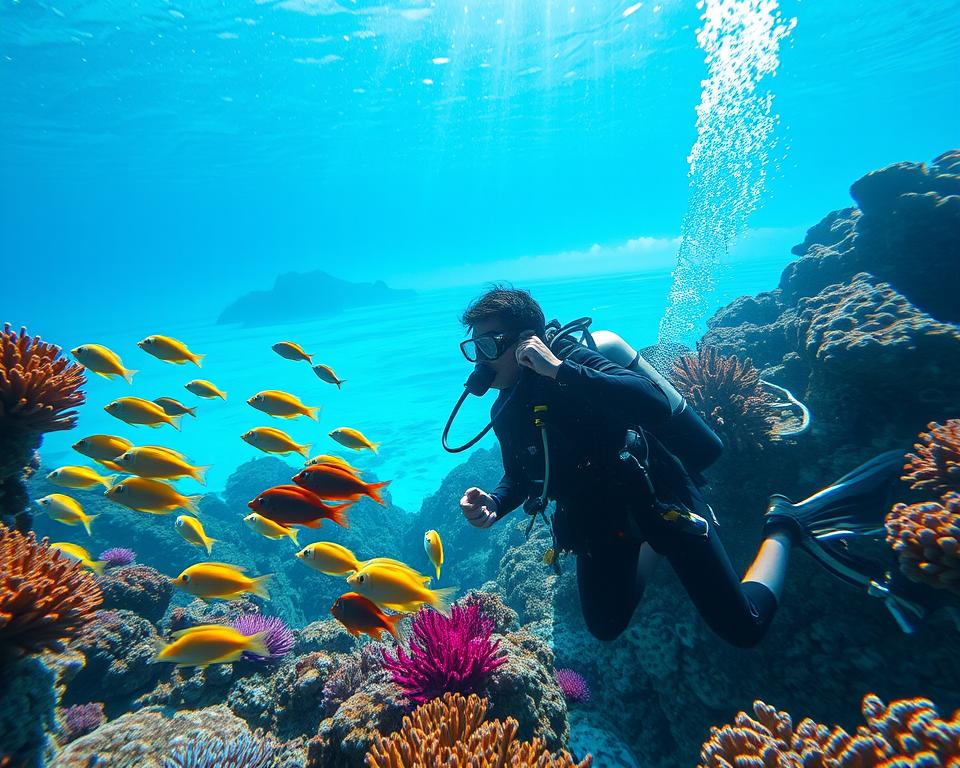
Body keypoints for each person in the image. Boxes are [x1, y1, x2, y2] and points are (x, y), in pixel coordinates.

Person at [456, 285, 910, 647]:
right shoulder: (506, 410)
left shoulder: (574, 360)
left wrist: (559, 371)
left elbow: (651, 402)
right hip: (597, 520)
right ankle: (656, 548)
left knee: (744, 628)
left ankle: (785, 526)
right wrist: (494, 503)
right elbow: (520, 475)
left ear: (526, 342)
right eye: (473, 346)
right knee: (605, 626)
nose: (480, 359)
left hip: (661, 500)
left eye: (489, 344)